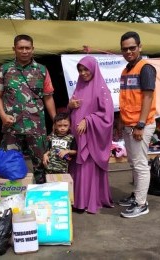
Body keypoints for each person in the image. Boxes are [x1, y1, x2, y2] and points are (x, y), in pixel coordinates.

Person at [0, 34, 56, 184]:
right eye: (21, 48)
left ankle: (42, 198)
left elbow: (48, 97)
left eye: (27, 48)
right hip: (12, 126)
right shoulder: (5, 69)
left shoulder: (41, 70)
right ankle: (13, 200)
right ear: (14, 49)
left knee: (42, 164)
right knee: (10, 165)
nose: (24, 51)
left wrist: (55, 120)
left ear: (33, 49)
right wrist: (2, 115)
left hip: (36, 127)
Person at [117, 31, 157, 218]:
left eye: (132, 48)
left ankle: (141, 204)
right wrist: (121, 121)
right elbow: (127, 99)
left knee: (140, 165)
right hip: (128, 124)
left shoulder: (145, 68)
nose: (129, 51)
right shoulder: (126, 69)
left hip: (140, 125)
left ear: (140, 47)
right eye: (125, 49)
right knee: (133, 162)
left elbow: (147, 97)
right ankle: (137, 196)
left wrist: (140, 124)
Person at [68, 56, 114, 214]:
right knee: (78, 169)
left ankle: (91, 201)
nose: (83, 73)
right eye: (80, 70)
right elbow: (73, 109)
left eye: (86, 69)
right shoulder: (79, 87)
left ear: (93, 68)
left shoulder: (101, 88)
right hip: (78, 139)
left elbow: (107, 115)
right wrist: (70, 105)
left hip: (91, 138)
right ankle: (79, 201)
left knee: (88, 169)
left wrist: (88, 120)